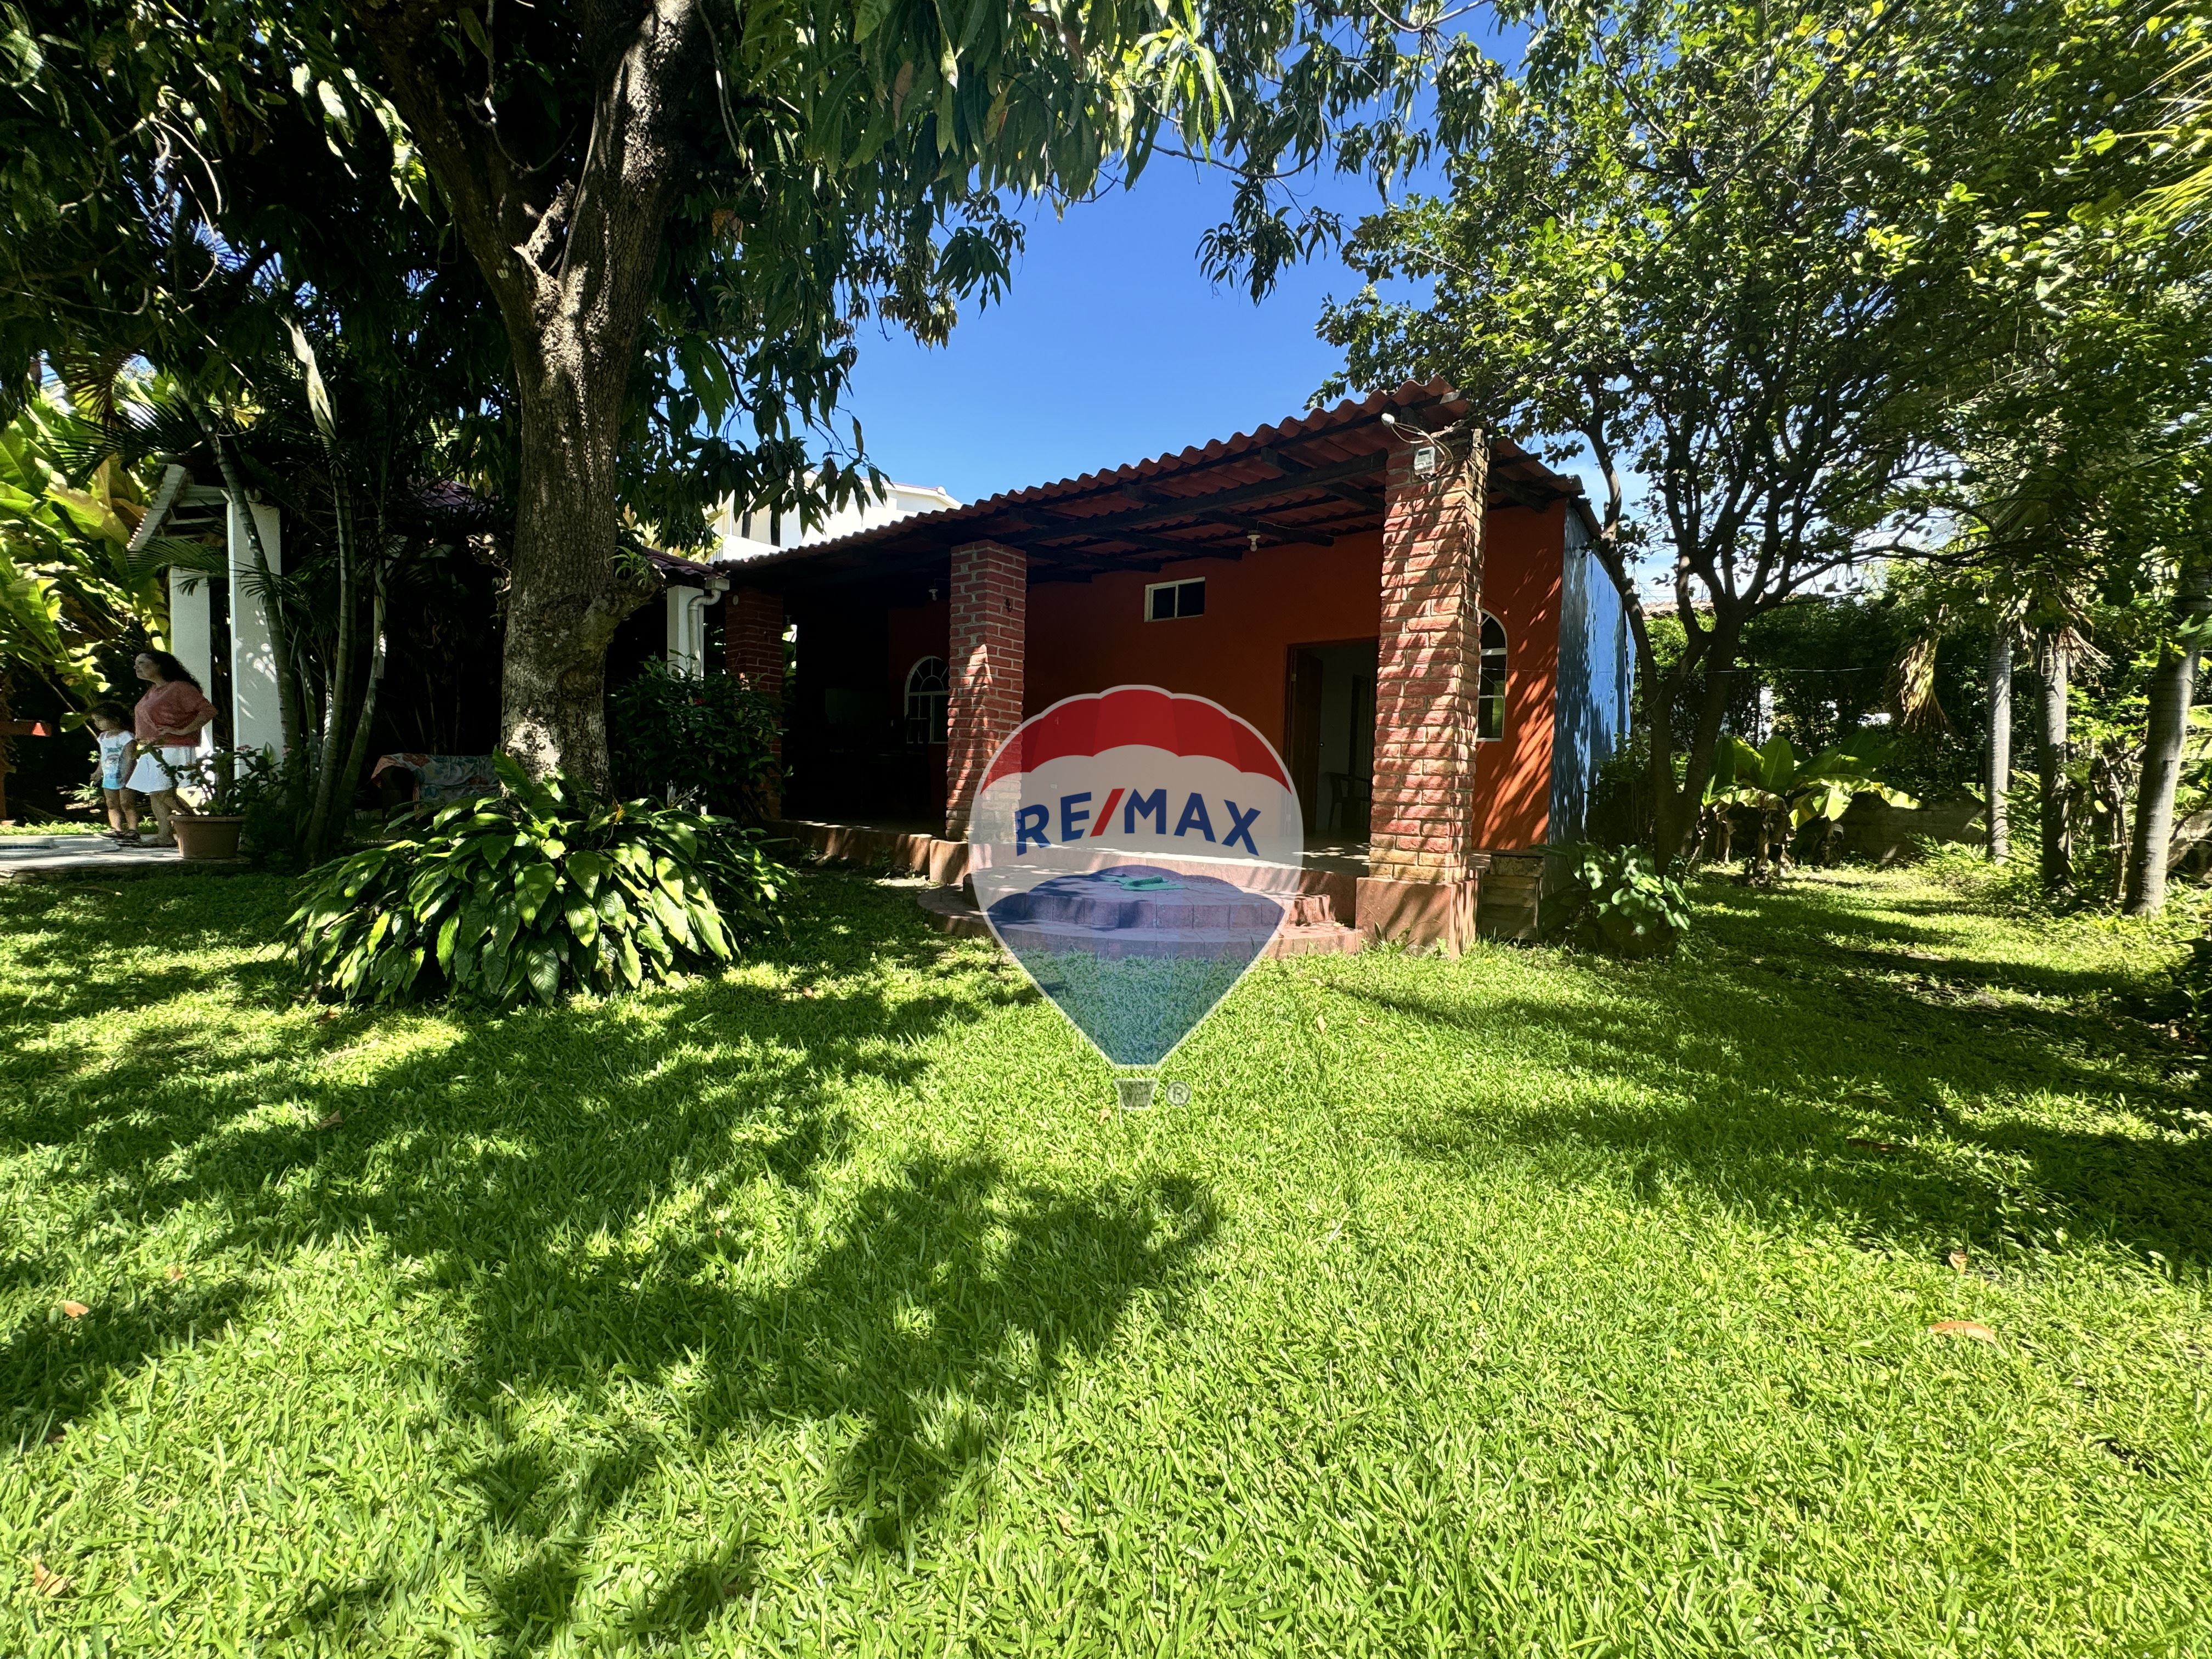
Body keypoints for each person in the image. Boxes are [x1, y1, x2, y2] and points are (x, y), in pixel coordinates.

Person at [126, 651, 216, 847]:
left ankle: (198, 825)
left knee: (162, 792)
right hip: (154, 748)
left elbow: (208, 711)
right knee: (155, 792)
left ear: (160, 665)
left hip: (172, 747)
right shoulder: (154, 690)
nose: (137, 667)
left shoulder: (180, 688)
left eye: (142, 663)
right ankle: (164, 835)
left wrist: (184, 731)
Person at [87, 702, 142, 843]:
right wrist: (98, 772)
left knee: (127, 803)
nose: (97, 724)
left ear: (115, 718)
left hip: (126, 775)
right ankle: (115, 829)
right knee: (111, 803)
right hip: (109, 775)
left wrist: (128, 775)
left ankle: (133, 830)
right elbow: (103, 757)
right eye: (95, 721)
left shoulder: (127, 736)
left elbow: (131, 757)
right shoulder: (103, 737)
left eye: (100, 720)